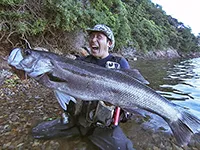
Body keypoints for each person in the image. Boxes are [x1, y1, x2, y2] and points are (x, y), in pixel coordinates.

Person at [32, 24, 135, 150]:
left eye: (99, 37)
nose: (93, 40)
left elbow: (131, 94)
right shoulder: (80, 62)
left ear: (109, 43)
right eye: (91, 36)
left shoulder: (119, 63)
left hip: (103, 128)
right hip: (77, 121)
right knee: (37, 132)